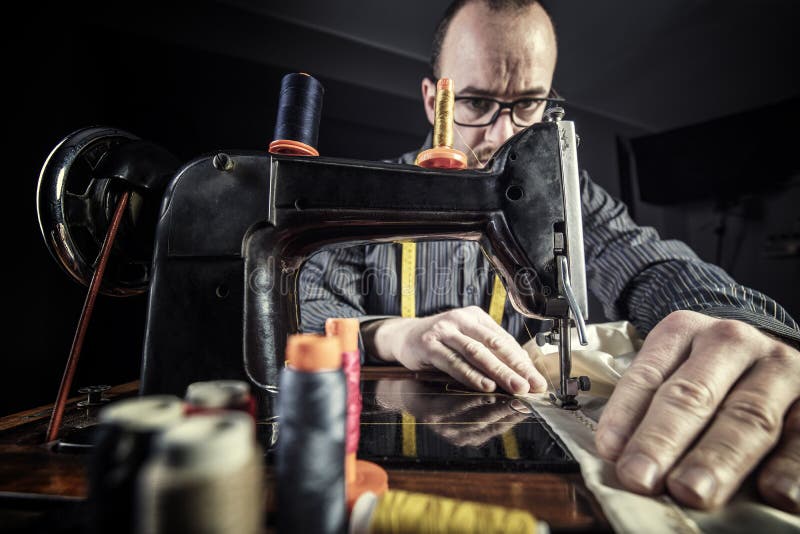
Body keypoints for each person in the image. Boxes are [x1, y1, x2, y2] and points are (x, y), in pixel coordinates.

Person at [299, 0, 800, 513]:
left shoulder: (567, 195)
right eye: (475, 104)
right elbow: (307, 311)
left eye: (528, 105)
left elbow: (649, 262)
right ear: (434, 101)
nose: (504, 135)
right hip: (382, 475)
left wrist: (739, 325)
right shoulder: (371, 195)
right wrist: (395, 334)